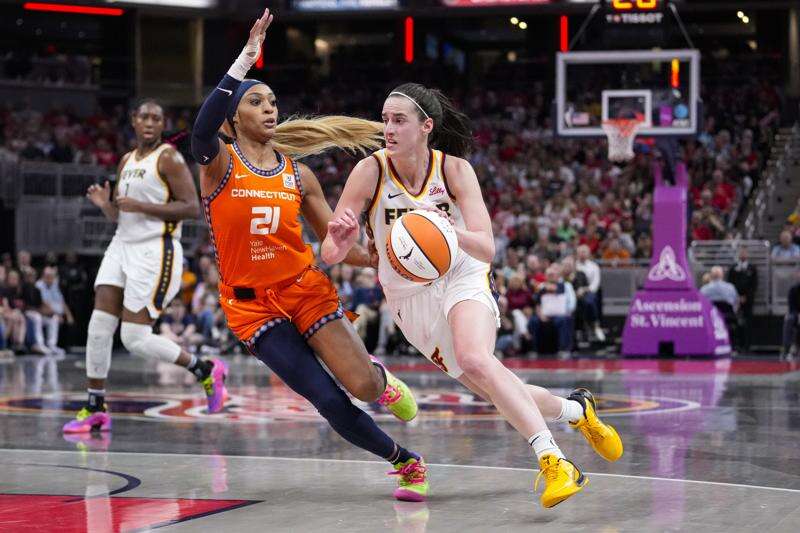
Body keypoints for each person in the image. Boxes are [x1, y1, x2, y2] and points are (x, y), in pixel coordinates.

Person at [323, 82, 623, 508]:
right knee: (492, 387)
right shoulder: (369, 171)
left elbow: (486, 246)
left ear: (426, 126)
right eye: (385, 119)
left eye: (399, 120)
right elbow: (330, 253)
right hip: (408, 295)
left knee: (476, 359)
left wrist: (443, 228)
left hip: (462, 270)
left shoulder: (454, 170)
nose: (387, 128)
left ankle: (554, 460)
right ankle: (577, 411)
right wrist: (341, 238)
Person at [190, 9, 425, 502]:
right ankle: (405, 462)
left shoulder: (299, 175)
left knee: (361, 387)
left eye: (273, 101)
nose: (270, 109)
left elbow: (340, 248)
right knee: (325, 399)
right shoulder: (219, 164)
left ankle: (379, 381)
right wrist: (244, 60)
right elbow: (200, 128)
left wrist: (393, 254)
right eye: (256, 102)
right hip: (251, 308)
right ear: (235, 118)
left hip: (305, 291)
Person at [62, 98, 227, 435]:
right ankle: (95, 405)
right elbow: (122, 215)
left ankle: (205, 368)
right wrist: (105, 206)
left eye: (157, 117)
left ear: (162, 123)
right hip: (122, 244)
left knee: (134, 337)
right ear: (133, 121)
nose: (150, 122)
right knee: (98, 326)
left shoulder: (168, 158)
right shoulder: (126, 160)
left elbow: (191, 208)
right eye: (144, 117)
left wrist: (141, 205)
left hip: (156, 249)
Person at [528, 264, 576, 359]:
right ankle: (535, 349)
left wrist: (545, 287)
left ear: (558, 276)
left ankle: (563, 349)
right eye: (549, 275)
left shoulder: (564, 286)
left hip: (561, 314)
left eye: (553, 275)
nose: (551, 277)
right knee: (534, 321)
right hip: (545, 314)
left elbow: (557, 290)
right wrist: (540, 315)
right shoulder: (541, 287)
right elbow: (538, 304)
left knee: (563, 321)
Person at [35, 265, 74, 355]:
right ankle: (40, 344)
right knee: (42, 318)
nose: (50, 279)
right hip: (41, 313)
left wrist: (69, 315)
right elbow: (44, 302)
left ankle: (52, 345)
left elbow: (61, 301)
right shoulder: (39, 285)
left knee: (57, 319)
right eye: (47, 276)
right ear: (43, 276)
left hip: (51, 314)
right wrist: (57, 314)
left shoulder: (54, 284)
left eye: (52, 277)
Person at [727, 247, 757, 351]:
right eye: (741, 253)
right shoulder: (733, 268)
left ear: (747, 254)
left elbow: (754, 285)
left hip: (748, 301)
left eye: (744, 252)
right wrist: (736, 297)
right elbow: (730, 284)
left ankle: (747, 346)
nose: (743, 255)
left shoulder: (752, 268)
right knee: (735, 322)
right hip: (735, 300)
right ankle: (736, 345)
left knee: (747, 323)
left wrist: (746, 297)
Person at [575, 245, 605, 341]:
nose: (582, 254)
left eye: (584, 252)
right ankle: (582, 328)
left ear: (588, 254)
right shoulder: (574, 265)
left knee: (588, 302)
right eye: (580, 252)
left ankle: (595, 325)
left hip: (589, 291)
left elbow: (595, 285)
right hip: (574, 292)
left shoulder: (594, 266)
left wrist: (584, 290)